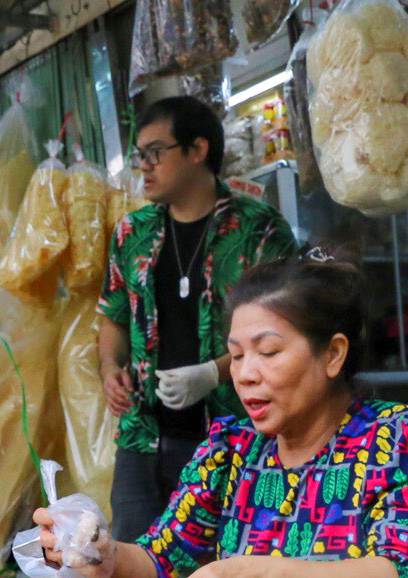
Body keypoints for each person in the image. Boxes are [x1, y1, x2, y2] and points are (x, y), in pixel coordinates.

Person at [40, 256, 408, 578]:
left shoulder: (401, 437)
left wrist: (255, 577)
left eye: (268, 352)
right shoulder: (231, 451)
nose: (244, 374)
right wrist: (103, 555)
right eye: (237, 355)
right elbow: (160, 564)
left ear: (333, 354)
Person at [99, 96, 298, 543]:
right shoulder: (132, 234)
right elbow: (112, 316)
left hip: (238, 439)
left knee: (232, 574)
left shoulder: (259, 230)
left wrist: (214, 373)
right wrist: (111, 370)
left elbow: (290, 331)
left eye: (155, 152)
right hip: (142, 440)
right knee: (133, 571)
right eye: (139, 156)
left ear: (197, 150)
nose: (144, 167)